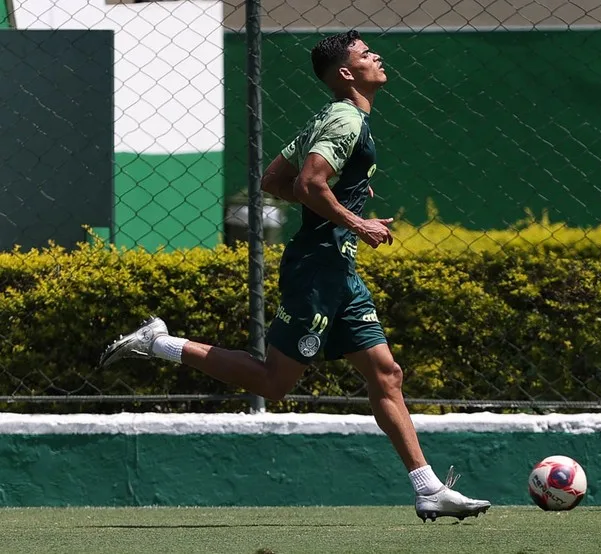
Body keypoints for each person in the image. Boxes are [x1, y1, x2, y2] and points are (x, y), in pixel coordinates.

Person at [101, 30, 492, 522]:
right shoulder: (346, 118)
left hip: (339, 270)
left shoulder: (334, 117)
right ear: (347, 74)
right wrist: (355, 220)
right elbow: (307, 182)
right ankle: (157, 342)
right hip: (316, 268)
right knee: (274, 383)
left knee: (387, 375)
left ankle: (428, 489)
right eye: (366, 54)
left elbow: (274, 181)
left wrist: (345, 197)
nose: (378, 57)